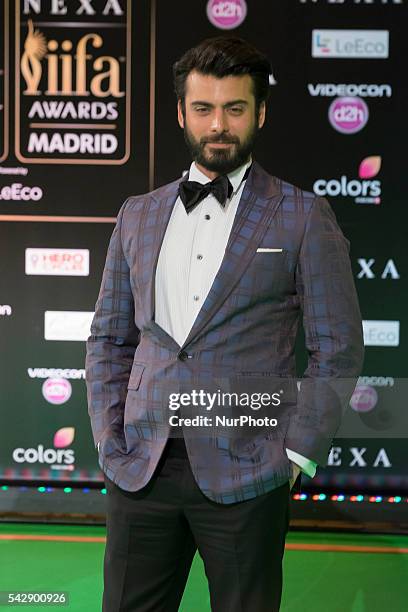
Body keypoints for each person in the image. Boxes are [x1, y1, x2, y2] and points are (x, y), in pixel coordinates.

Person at [85, 36, 364, 612]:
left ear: (259, 113)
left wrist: (296, 454)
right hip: (142, 466)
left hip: (249, 466)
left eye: (235, 109)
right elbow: (111, 338)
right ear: (183, 114)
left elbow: (338, 346)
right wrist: (111, 438)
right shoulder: (137, 214)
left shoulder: (303, 216)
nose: (219, 125)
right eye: (204, 109)